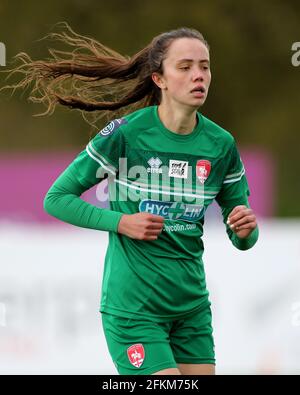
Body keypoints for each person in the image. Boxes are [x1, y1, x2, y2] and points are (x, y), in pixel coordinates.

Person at [3, 24, 258, 375]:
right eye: (185, 67)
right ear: (160, 79)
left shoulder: (221, 144)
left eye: (204, 66)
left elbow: (242, 234)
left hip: (191, 309)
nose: (198, 75)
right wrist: (121, 222)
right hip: (134, 311)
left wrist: (245, 230)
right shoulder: (126, 135)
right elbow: (57, 198)